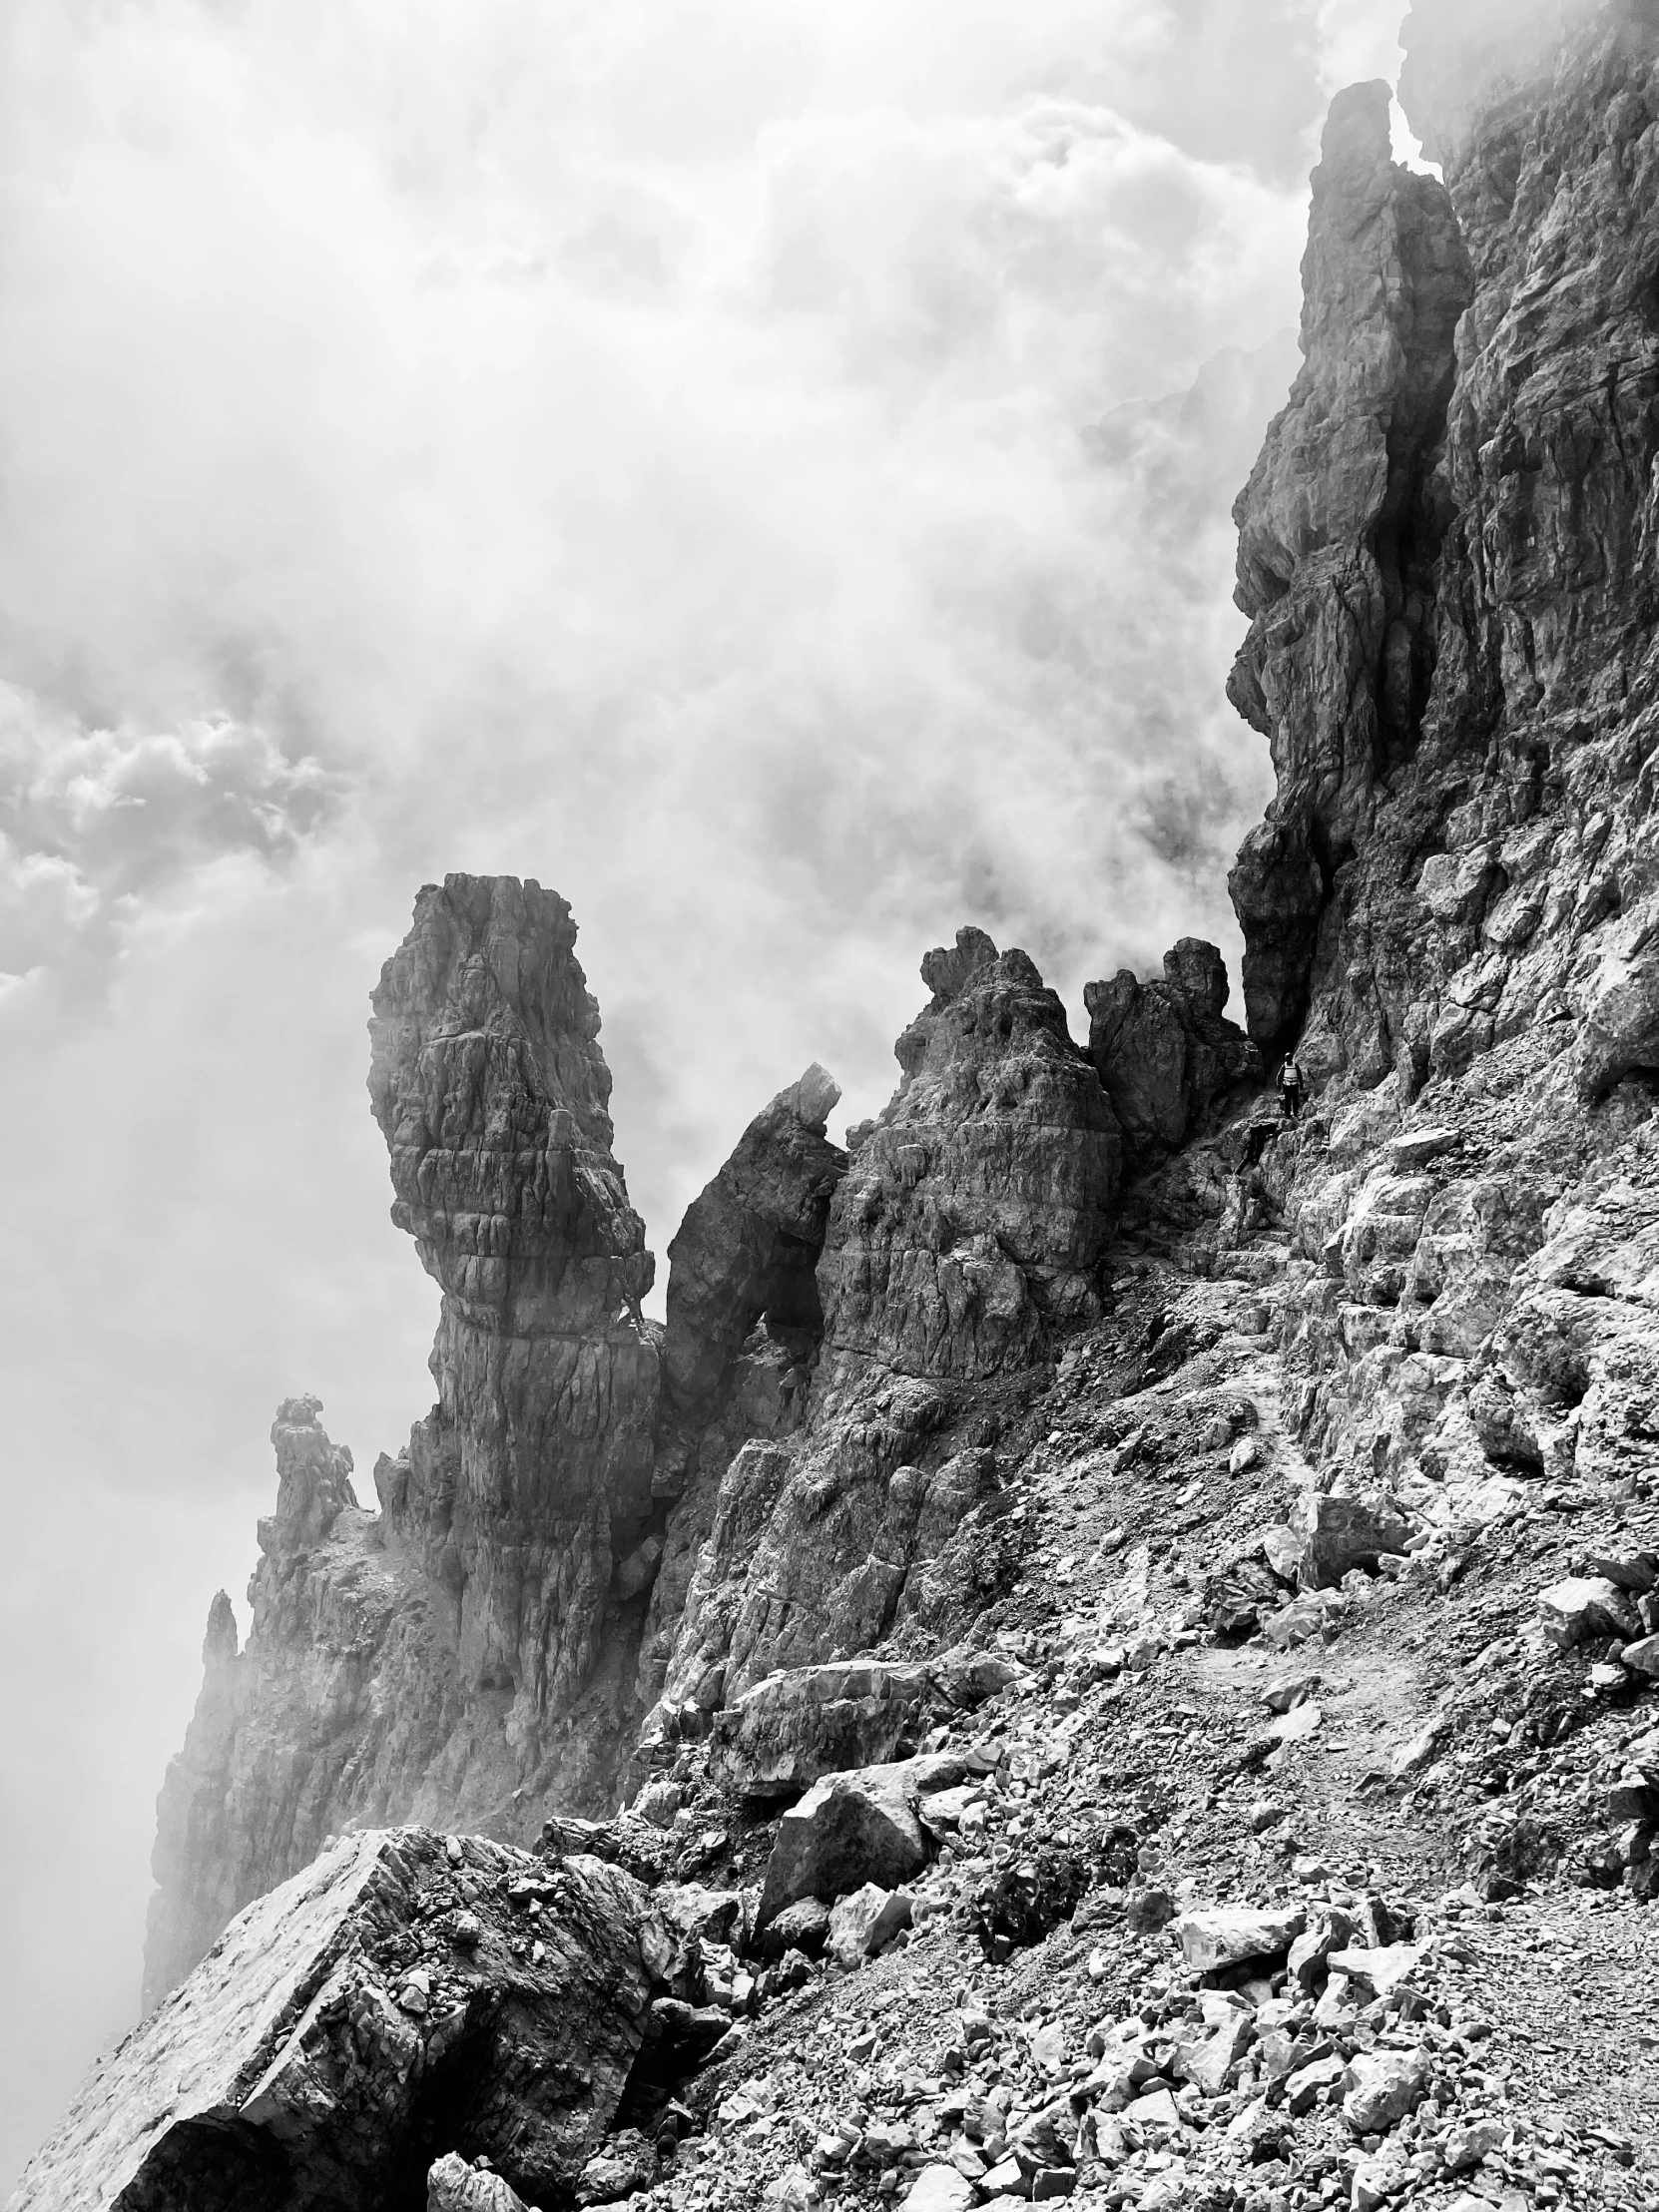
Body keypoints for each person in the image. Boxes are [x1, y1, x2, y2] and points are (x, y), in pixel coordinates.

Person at [1278, 1054, 1305, 1123]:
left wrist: (1301, 1085)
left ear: (1291, 1059)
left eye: (1289, 1060)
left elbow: (1299, 1075)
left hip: (1294, 1085)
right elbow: (1279, 1076)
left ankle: (1295, 1113)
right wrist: (1278, 1084)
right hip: (1286, 1085)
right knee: (1287, 1100)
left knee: (1295, 1100)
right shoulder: (1284, 1066)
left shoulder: (1295, 1066)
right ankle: (1288, 1115)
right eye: (1287, 1060)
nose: (1288, 1062)